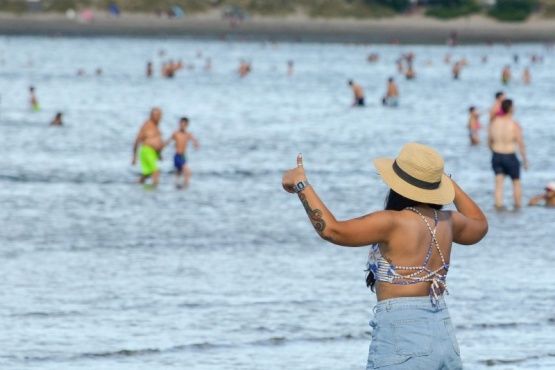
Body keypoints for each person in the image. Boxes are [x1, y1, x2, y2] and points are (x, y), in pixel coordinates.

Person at [282, 143, 488, 369]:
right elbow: (480, 224)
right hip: (443, 330)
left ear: (397, 185)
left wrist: (301, 183)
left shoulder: (392, 222)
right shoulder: (449, 221)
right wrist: (447, 183)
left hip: (403, 333)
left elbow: (332, 230)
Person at [488, 99, 528, 209]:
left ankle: (498, 207)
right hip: (510, 155)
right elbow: (520, 144)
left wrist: (494, 152)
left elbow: (489, 141)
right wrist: (525, 160)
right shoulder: (514, 125)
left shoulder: (494, 123)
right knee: (516, 184)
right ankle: (518, 207)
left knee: (498, 184)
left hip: (497, 154)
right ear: (511, 109)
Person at [163, 117, 200, 188]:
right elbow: (168, 141)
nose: (182, 125)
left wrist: (196, 145)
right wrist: (160, 150)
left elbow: (195, 141)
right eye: (181, 123)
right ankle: (186, 186)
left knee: (179, 173)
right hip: (177, 156)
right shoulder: (176, 133)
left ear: (186, 125)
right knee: (187, 171)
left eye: (184, 124)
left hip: (183, 156)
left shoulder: (188, 134)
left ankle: (176, 186)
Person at [132, 108, 164, 186]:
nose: (160, 117)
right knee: (155, 171)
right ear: (152, 115)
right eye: (158, 115)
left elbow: (157, 141)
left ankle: (137, 184)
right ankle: (155, 190)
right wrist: (134, 156)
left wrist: (159, 154)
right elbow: (138, 139)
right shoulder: (147, 125)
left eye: (160, 116)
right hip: (147, 151)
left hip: (153, 153)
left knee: (147, 173)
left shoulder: (156, 126)